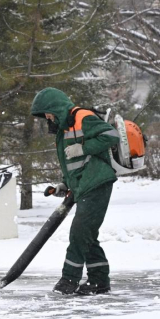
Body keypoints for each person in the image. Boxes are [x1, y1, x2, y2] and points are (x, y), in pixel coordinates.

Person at [30, 87, 120, 295]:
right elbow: (72, 164)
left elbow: (111, 135)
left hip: (97, 183)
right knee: (86, 235)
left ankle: (69, 280)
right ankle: (99, 281)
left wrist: (84, 147)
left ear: (56, 108)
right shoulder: (64, 130)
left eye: (48, 113)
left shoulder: (82, 117)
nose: (48, 118)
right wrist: (64, 184)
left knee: (79, 233)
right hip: (84, 185)